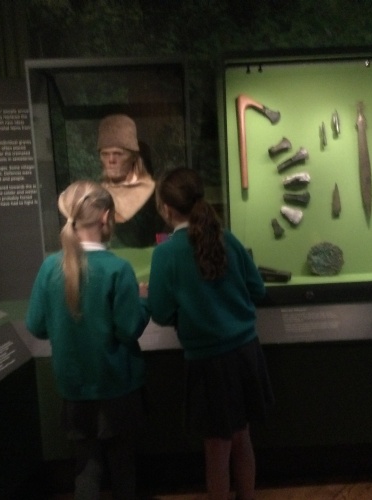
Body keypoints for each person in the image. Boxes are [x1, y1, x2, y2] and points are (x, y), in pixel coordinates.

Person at [146, 167, 274, 500]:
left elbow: (159, 312)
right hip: (245, 353)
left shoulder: (166, 253)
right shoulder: (226, 238)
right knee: (242, 438)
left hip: (208, 363)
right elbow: (257, 289)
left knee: (217, 451)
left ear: (166, 209)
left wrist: (186, 313)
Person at [25, 180, 150, 500]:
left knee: (86, 468)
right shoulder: (117, 269)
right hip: (117, 385)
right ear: (106, 217)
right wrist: (143, 301)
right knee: (123, 466)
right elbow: (129, 328)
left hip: (74, 388)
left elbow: (36, 325)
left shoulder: (49, 267)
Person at [97, 113, 167, 248]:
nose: (111, 160)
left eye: (118, 154)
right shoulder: (97, 193)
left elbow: (154, 236)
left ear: (134, 156)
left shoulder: (155, 193)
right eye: (104, 154)